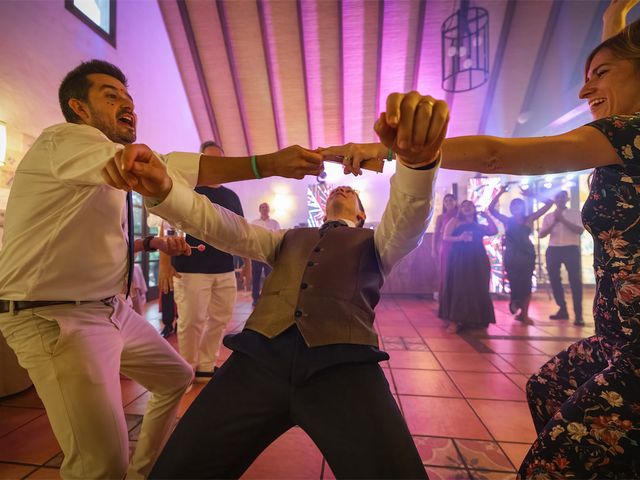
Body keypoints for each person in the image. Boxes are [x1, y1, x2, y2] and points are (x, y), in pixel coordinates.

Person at [327, 5, 640, 474]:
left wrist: (398, 152)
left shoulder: (629, 132)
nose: (584, 89)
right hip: (617, 338)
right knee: (547, 388)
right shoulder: (624, 133)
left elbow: (494, 155)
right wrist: (613, 18)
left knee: (551, 464)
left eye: (600, 74)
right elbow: (623, 64)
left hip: (634, 350)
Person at [0, 60, 323, 479]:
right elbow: (160, 167)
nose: (126, 103)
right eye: (110, 95)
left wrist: (153, 243)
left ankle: (141, 473)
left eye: (128, 97)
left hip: (109, 310)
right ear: (78, 108)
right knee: (98, 464)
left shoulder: (99, 169)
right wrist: (266, 163)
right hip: (54, 316)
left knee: (175, 378)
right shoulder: (64, 138)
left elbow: (165, 171)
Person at [101, 93, 448, 479]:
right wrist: (165, 190)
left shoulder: (376, 242)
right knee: (179, 467)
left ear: (363, 215)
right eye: (338, 189)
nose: (342, 191)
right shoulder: (287, 238)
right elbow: (222, 225)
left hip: (345, 365)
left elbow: (408, 220)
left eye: (351, 193)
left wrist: (416, 166)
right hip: (258, 358)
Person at [169, 140, 251, 381]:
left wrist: (246, 264)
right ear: (201, 161)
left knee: (220, 318)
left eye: (219, 160)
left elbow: (242, 232)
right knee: (191, 319)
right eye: (210, 159)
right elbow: (170, 226)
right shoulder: (187, 190)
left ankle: (206, 363)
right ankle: (187, 368)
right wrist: (165, 264)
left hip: (225, 268)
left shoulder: (231, 196)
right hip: (191, 268)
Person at [488, 185, 553, 324]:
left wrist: (532, 194)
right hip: (511, 257)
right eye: (514, 205)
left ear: (523, 207)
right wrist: (500, 192)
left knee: (526, 285)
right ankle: (516, 305)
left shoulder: (529, 219)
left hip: (526, 256)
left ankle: (524, 314)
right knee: (515, 284)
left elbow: (549, 203)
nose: (516, 207)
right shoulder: (507, 220)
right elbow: (491, 209)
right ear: (511, 208)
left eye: (519, 205)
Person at [438, 200, 498, 333]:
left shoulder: (478, 225)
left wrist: (487, 216)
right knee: (459, 287)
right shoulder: (454, 221)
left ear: (474, 209)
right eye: (464, 206)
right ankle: (454, 321)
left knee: (478, 287)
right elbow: (445, 237)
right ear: (460, 209)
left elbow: (494, 231)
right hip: (460, 258)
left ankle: (476, 319)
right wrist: (459, 238)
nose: (467, 207)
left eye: (470, 206)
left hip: (478, 259)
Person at [539, 190, 585, 325]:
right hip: (553, 249)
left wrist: (562, 219)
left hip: (571, 248)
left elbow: (580, 230)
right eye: (557, 197)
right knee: (554, 280)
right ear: (554, 199)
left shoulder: (575, 213)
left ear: (567, 199)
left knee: (575, 281)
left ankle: (579, 315)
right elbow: (541, 235)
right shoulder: (549, 216)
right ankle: (563, 309)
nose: (560, 199)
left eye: (562, 197)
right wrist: (554, 221)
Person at [251, 202, 281, 306]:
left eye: (266, 207)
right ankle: (255, 298)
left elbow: (278, 237)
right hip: (256, 254)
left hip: (269, 254)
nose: (264, 209)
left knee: (270, 278)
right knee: (256, 278)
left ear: (269, 209)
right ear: (260, 210)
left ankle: (269, 298)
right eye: (262, 207)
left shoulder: (275, 223)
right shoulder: (254, 223)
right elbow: (251, 237)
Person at [432, 193, 457, 303]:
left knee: (458, 272)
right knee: (445, 272)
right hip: (445, 247)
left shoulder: (459, 216)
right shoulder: (440, 217)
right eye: (446, 201)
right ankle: (445, 300)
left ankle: (457, 299)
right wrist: (433, 249)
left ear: (455, 202)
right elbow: (436, 234)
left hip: (459, 247)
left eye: (451, 200)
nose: (448, 202)